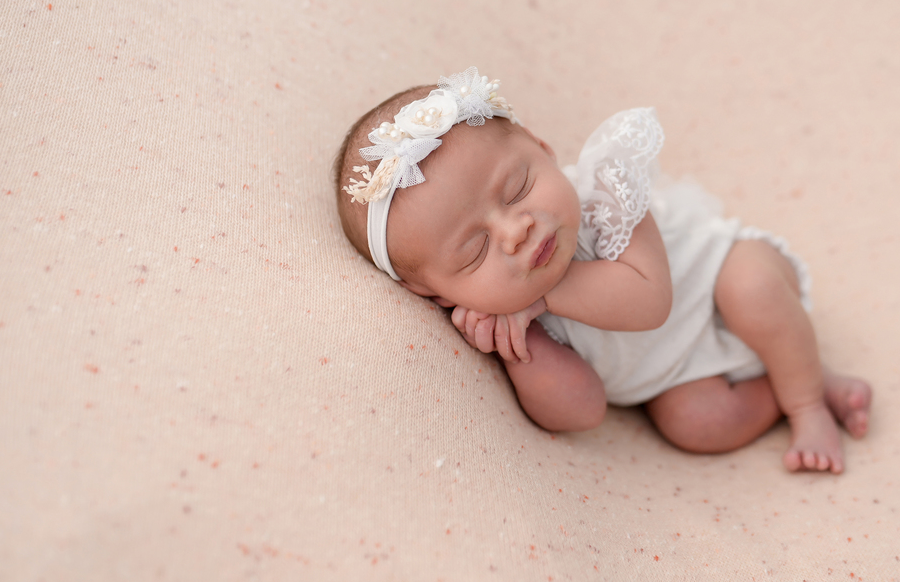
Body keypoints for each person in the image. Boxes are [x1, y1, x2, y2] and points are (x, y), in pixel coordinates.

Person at [334, 68, 872, 473]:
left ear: (543, 149)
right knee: (698, 425)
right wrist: (522, 349)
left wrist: (543, 297)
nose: (515, 230)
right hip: (685, 372)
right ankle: (804, 378)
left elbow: (649, 301)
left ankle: (807, 404)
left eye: (518, 188)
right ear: (437, 295)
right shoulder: (507, 314)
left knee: (753, 289)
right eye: (475, 251)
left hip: (718, 282)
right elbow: (583, 411)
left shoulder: (603, 198)